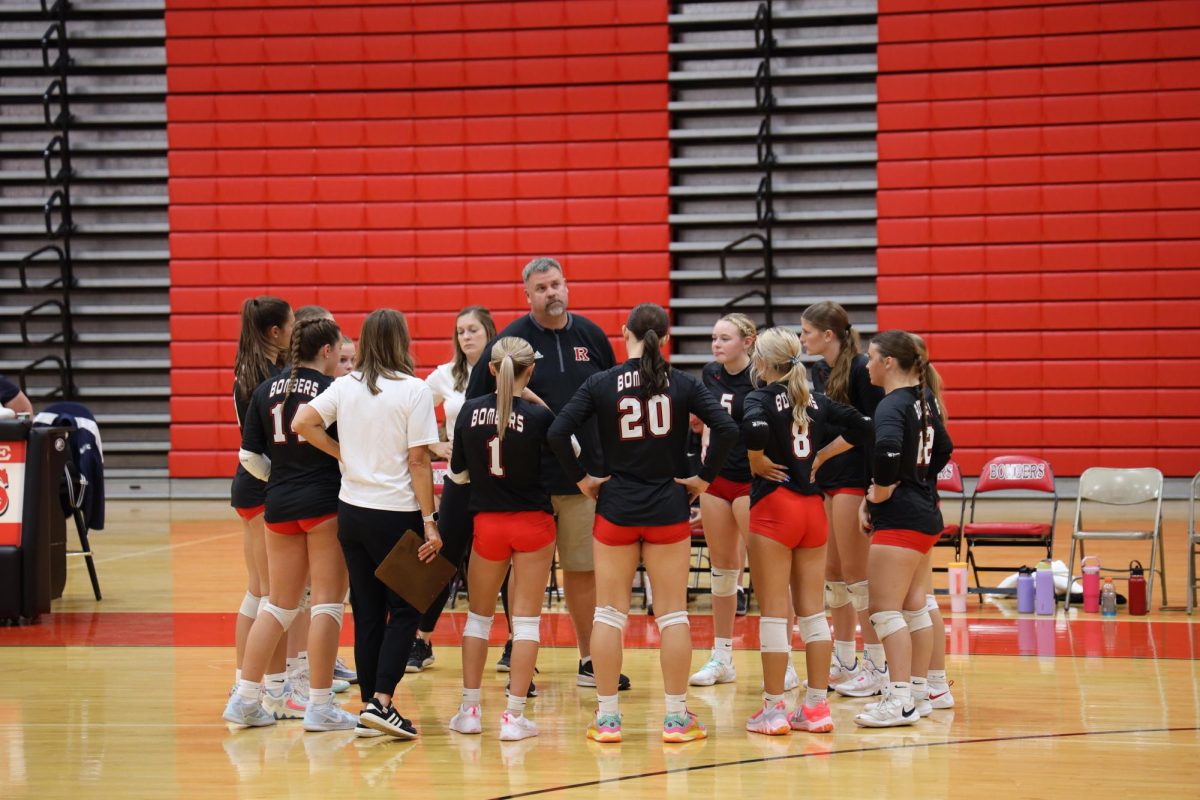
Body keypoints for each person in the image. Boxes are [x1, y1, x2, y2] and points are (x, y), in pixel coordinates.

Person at [548, 303, 738, 744]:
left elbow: (558, 431)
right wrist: (704, 479)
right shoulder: (685, 383)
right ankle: (675, 719)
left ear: (624, 333)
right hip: (668, 507)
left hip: (615, 508)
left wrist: (583, 480)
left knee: (609, 614)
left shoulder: (601, 382)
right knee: (673, 615)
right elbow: (727, 429)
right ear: (666, 340)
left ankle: (608, 719)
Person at [466, 257, 629, 690]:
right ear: (527, 296)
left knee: (581, 571)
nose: (551, 293)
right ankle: (520, 661)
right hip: (525, 485)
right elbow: (474, 405)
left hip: (583, 482)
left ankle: (589, 658)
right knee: (521, 574)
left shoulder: (591, 336)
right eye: (541, 288)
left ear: (567, 286)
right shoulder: (510, 340)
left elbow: (615, 401)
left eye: (556, 284)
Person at [293, 308, 442, 740]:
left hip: (352, 512)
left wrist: (342, 454)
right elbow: (418, 460)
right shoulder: (413, 390)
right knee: (407, 610)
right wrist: (430, 521)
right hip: (395, 513)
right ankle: (383, 702)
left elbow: (303, 422)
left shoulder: (345, 386)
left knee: (369, 611)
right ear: (401, 341)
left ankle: (368, 708)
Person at [740, 327, 873, 736]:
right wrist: (821, 456)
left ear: (762, 362)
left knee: (775, 615)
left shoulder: (760, 396)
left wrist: (756, 457)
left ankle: (773, 709)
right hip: (813, 510)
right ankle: (816, 708)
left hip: (775, 509)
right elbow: (865, 425)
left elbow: (755, 429)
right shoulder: (814, 398)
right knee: (814, 612)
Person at [223, 317, 354, 732]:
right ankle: (319, 706)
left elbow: (248, 457)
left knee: (278, 604)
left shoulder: (264, 389)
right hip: (323, 505)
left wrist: (279, 479)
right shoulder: (335, 390)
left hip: (277, 505)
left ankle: (245, 698)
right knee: (327, 604)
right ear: (328, 351)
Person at [447, 336, 557, 741]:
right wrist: (542, 406)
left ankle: (470, 710)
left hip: (488, 525)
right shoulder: (539, 416)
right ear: (530, 371)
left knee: (478, 618)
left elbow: (458, 476)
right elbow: (573, 450)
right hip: (534, 525)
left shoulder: (467, 411)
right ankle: (513, 718)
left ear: (491, 369)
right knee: (526, 623)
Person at [853, 330, 953, 728]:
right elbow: (943, 448)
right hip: (925, 513)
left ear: (889, 362)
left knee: (883, 609)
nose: (867, 365)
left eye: (872, 357)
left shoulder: (892, 404)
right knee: (915, 605)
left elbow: (888, 450)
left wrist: (879, 491)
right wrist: (920, 479)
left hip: (901, 520)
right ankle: (917, 692)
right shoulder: (925, 398)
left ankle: (899, 701)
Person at [799, 301, 887, 697]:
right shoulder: (819, 370)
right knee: (833, 577)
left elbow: (869, 430)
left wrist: (823, 454)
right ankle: (846, 659)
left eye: (807, 332)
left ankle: (876, 665)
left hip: (854, 478)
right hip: (828, 482)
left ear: (828, 335)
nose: (803, 338)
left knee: (858, 578)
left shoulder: (859, 370)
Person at [409, 306, 496, 674]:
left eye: (473, 329)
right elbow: (412, 411)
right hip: (461, 483)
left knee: (504, 565)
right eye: (460, 331)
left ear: (489, 332)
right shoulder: (445, 376)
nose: (466, 337)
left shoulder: (505, 369)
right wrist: (433, 445)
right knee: (443, 557)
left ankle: (511, 646)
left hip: (499, 481)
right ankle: (422, 640)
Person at [689, 313, 762, 687]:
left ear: (747, 342)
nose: (716, 344)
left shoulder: (762, 376)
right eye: (714, 338)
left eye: (725, 338)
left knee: (766, 574)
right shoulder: (710, 373)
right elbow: (709, 422)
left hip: (752, 482)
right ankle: (722, 657)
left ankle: (784, 659)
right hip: (717, 481)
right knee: (722, 571)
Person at [229, 297, 294, 702]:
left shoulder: (248, 370)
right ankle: (266, 688)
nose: (293, 333)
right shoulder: (268, 377)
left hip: (250, 486)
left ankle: (244, 680)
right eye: (290, 327)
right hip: (262, 485)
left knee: (258, 590)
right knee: (272, 594)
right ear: (275, 332)